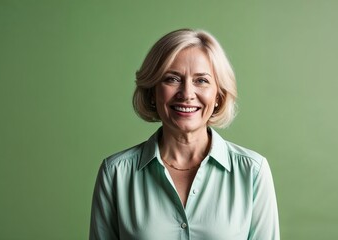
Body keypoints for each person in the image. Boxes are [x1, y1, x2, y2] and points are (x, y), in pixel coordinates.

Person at [89, 28, 280, 240]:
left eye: (201, 80)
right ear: (153, 92)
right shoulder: (116, 173)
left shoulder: (252, 172)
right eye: (172, 79)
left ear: (218, 95)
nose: (187, 94)